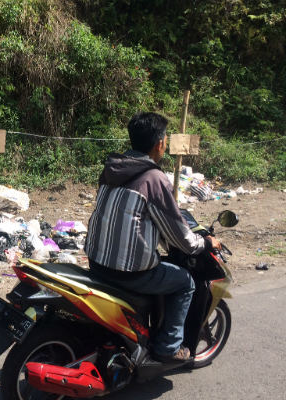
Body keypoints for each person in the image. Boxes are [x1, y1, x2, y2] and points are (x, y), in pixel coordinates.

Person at [84, 112, 220, 362]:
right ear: (159, 143)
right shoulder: (154, 178)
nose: (166, 144)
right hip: (130, 273)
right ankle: (169, 348)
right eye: (166, 139)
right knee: (185, 282)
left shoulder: (112, 169)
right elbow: (182, 238)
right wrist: (205, 243)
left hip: (96, 262)